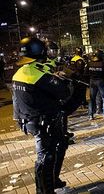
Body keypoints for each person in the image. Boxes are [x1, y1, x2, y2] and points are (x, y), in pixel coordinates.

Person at [12, 37, 73, 193]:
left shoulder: (20, 72)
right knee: (46, 158)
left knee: (60, 145)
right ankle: (45, 190)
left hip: (30, 120)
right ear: (41, 52)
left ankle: (54, 181)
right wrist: (62, 80)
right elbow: (64, 92)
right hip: (43, 123)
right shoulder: (36, 73)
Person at [86, 49, 104, 120]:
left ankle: (90, 114)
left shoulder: (89, 63)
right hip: (101, 81)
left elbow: (86, 73)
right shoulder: (103, 64)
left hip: (92, 81)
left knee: (92, 98)